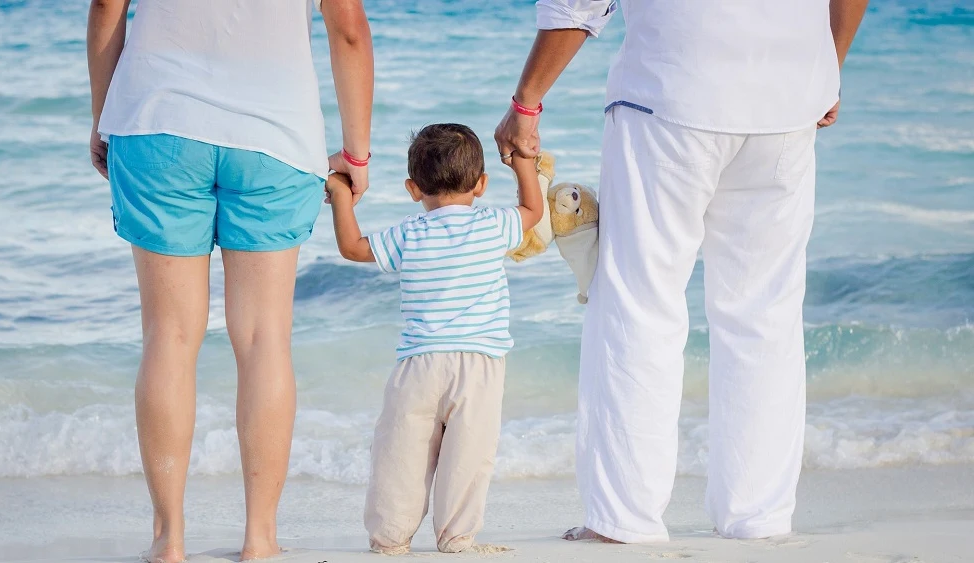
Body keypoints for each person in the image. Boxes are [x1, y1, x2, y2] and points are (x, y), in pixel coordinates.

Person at [495, 0, 868, 544]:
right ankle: (758, 515)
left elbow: (577, 6)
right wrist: (827, 66)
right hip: (788, 99)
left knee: (639, 304)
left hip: (671, 92)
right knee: (765, 313)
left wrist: (526, 102)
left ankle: (625, 518)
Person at [86, 0, 372, 561]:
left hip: (158, 124)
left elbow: (104, 7)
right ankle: (259, 539)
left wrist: (104, 115)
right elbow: (349, 28)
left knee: (168, 337)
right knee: (265, 338)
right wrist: (357, 153)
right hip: (277, 136)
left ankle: (169, 540)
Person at [327, 124, 544, 553]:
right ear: (481, 185)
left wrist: (339, 193)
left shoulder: (408, 233)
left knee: (401, 452)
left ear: (413, 189)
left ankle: (390, 538)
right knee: (469, 454)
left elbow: (352, 247)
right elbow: (533, 210)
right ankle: (456, 537)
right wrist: (523, 163)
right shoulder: (494, 226)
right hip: (480, 364)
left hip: (418, 364)